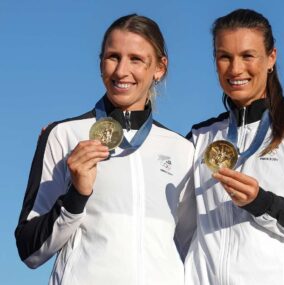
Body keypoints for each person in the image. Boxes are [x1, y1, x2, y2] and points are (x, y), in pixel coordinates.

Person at [15, 14, 196, 285]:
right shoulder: (64, 135)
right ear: (100, 63)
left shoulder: (182, 150)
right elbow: (30, 251)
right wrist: (76, 195)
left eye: (136, 59)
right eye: (113, 57)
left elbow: (191, 248)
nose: (121, 71)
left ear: (159, 68)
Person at [185, 9, 284, 285]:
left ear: (271, 58)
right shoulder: (199, 137)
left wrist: (262, 203)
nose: (235, 69)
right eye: (225, 57)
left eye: (248, 55)